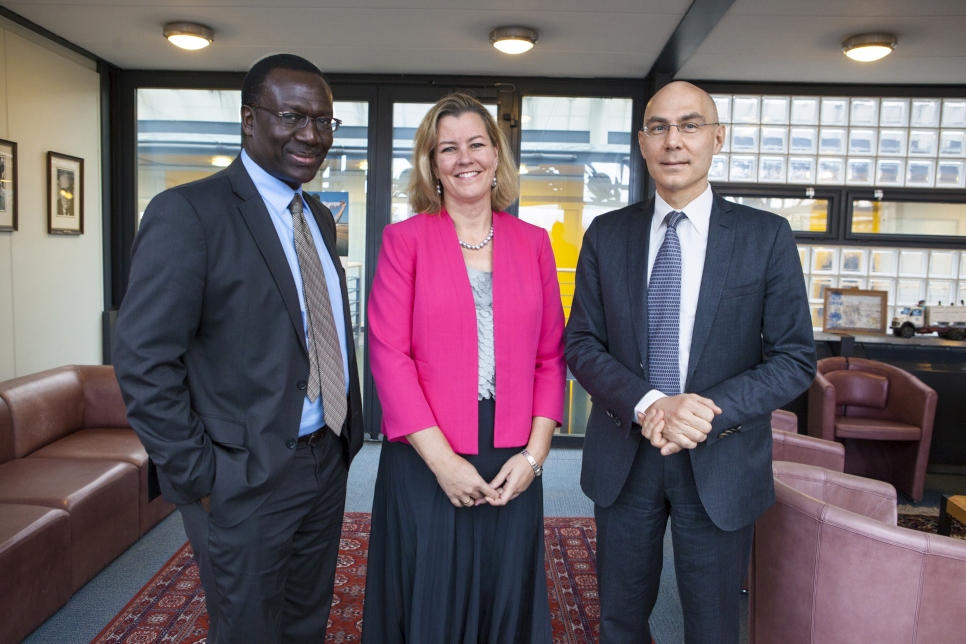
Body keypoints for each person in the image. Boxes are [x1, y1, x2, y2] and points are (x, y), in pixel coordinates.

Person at [113, 53, 363, 644]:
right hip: (241, 476)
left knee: (306, 621)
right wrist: (201, 476)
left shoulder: (319, 216)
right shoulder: (188, 213)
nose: (312, 135)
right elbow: (144, 362)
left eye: (325, 121)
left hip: (325, 458)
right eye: (293, 117)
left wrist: (340, 439)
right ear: (249, 120)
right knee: (248, 628)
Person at [565, 81, 816, 643]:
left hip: (721, 459)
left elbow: (795, 358)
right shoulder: (607, 234)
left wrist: (704, 413)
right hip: (627, 455)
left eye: (690, 125)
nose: (673, 140)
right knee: (620, 620)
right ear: (642, 141)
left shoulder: (764, 236)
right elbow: (581, 343)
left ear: (716, 138)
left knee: (715, 625)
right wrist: (652, 404)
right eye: (659, 127)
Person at [362, 92, 565, 644]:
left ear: (497, 155)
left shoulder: (534, 243)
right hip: (426, 451)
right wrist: (443, 462)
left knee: (504, 589)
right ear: (432, 165)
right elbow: (387, 353)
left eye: (476, 143)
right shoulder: (403, 241)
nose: (464, 158)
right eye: (446, 148)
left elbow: (551, 357)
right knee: (431, 590)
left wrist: (535, 456)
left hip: (512, 449)